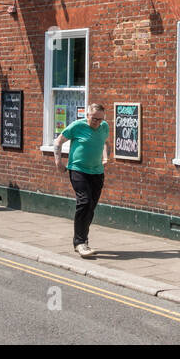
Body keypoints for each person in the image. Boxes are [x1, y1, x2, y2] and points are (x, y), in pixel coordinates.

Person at [53, 102, 109, 259]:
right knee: (84, 202)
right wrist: (58, 163)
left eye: (100, 119)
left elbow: (105, 142)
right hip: (78, 170)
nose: (98, 122)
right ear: (87, 116)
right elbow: (58, 142)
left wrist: (106, 157)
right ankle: (79, 242)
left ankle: (83, 238)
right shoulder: (77, 126)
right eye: (94, 119)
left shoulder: (104, 127)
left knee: (91, 207)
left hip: (97, 172)